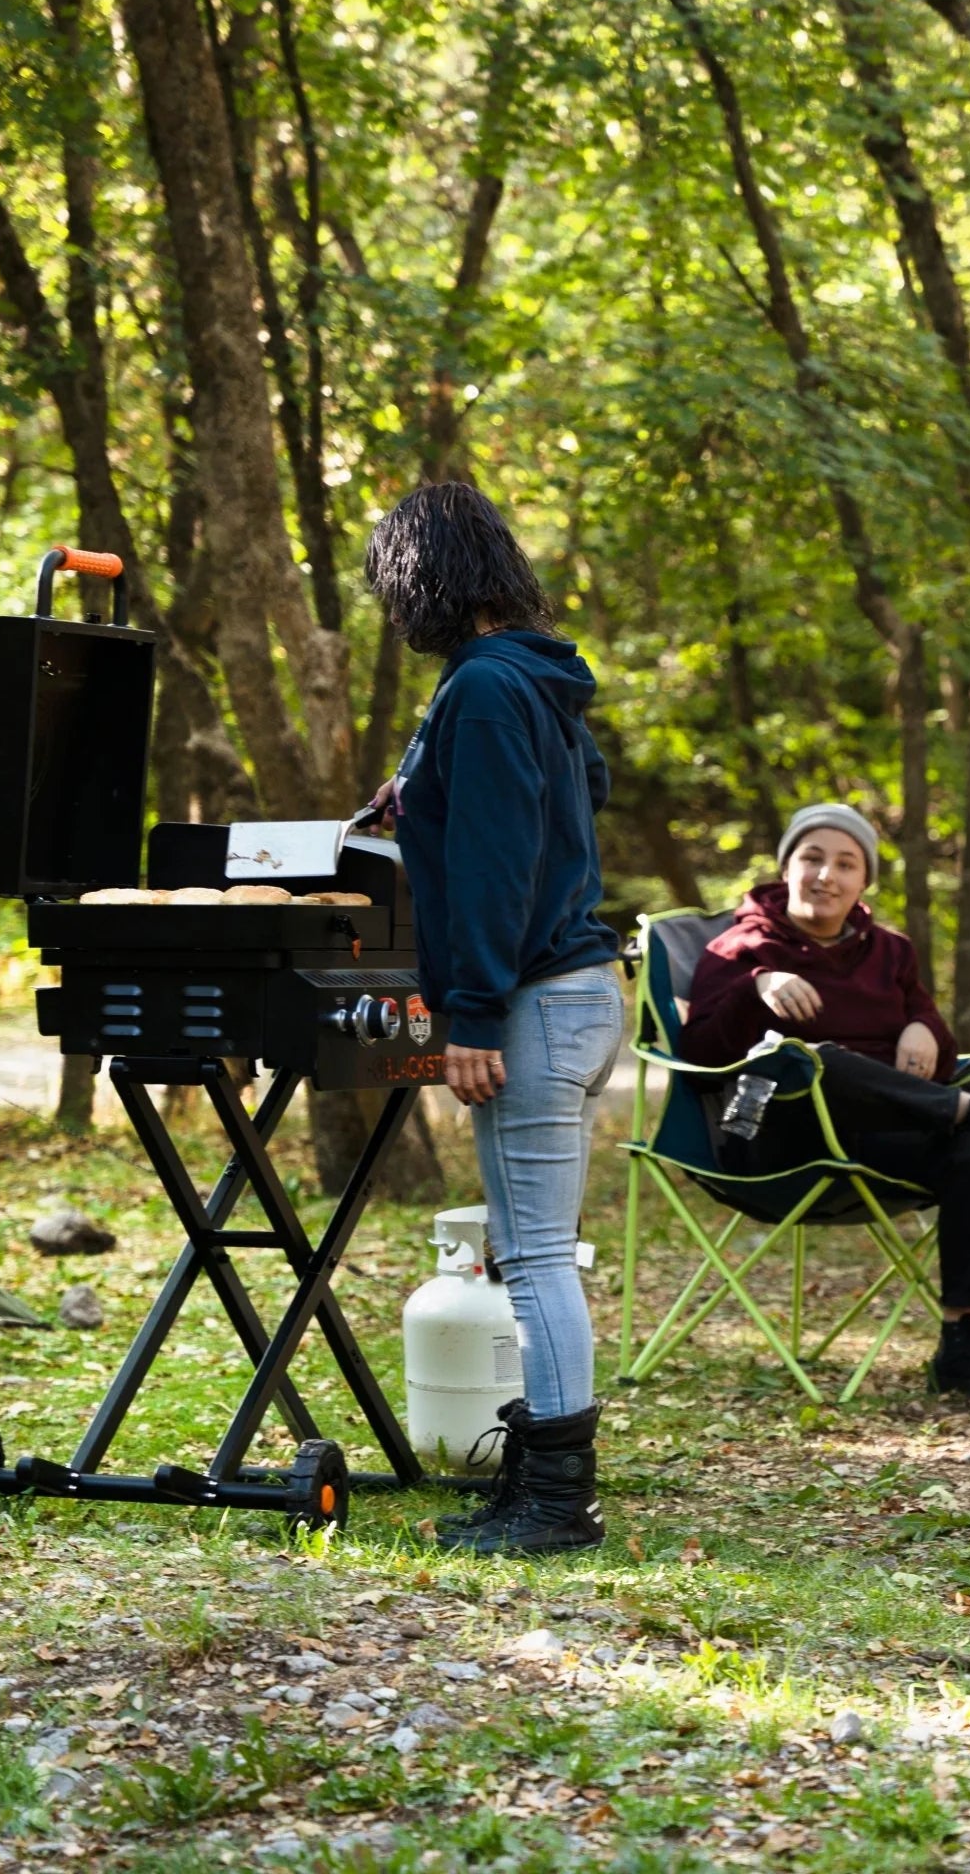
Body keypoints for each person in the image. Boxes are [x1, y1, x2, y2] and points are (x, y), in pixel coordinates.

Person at [364, 480, 624, 1555]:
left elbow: (492, 863)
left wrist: (464, 1011)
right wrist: (419, 790)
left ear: (424, 581)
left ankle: (556, 1502)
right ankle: (540, 1471)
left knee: (533, 1257)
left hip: (529, 998)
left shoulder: (479, 686)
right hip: (580, 990)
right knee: (534, 1249)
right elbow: (579, 794)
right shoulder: (538, 679)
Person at [681, 803, 970, 1402]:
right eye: (812, 858)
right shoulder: (741, 946)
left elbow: (935, 1056)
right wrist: (755, 987)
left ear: (862, 882)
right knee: (821, 1058)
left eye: (845, 864)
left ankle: (963, 1347)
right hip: (776, 1141)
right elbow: (701, 1055)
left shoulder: (890, 952)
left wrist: (923, 1025)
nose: (826, 876)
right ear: (786, 868)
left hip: (877, 1138)